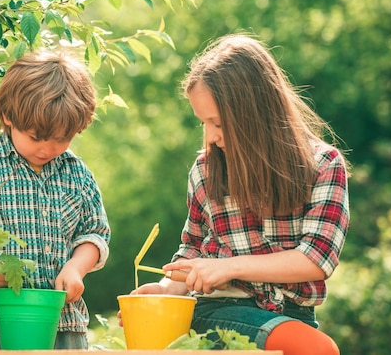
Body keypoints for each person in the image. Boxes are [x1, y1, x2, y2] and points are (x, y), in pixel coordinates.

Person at [130, 34, 349, 355]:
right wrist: (167, 290)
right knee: (319, 350)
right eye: (203, 123)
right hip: (218, 311)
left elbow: (317, 259)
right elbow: (192, 249)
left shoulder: (324, 165)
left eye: (216, 122)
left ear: (252, 113)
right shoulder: (205, 170)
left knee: (307, 343)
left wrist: (229, 266)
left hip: (294, 316)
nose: (210, 136)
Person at [0, 49, 111, 350]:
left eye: (60, 139)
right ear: (7, 116)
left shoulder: (77, 173)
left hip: (63, 324)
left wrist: (76, 268)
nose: (47, 148)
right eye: (35, 137)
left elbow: (94, 234)